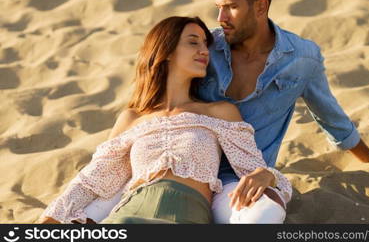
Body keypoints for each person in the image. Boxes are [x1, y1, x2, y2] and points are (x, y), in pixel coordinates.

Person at [71, 0, 369, 224]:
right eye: (218, 6)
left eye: (231, 6)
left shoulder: (303, 58)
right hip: (169, 167)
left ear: (260, 7)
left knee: (259, 215)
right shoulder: (206, 49)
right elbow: (158, 102)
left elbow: (329, 114)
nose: (220, 17)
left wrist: (368, 156)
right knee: (83, 206)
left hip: (241, 178)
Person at [37, 16, 292, 224]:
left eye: (206, 44)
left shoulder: (218, 112)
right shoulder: (132, 118)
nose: (204, 51)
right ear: (166, 50)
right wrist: (48, 220)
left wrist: (266, 175)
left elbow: (253, 169)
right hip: (129, 216)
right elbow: (93, 179)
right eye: (193, 42)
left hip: (188, 216)